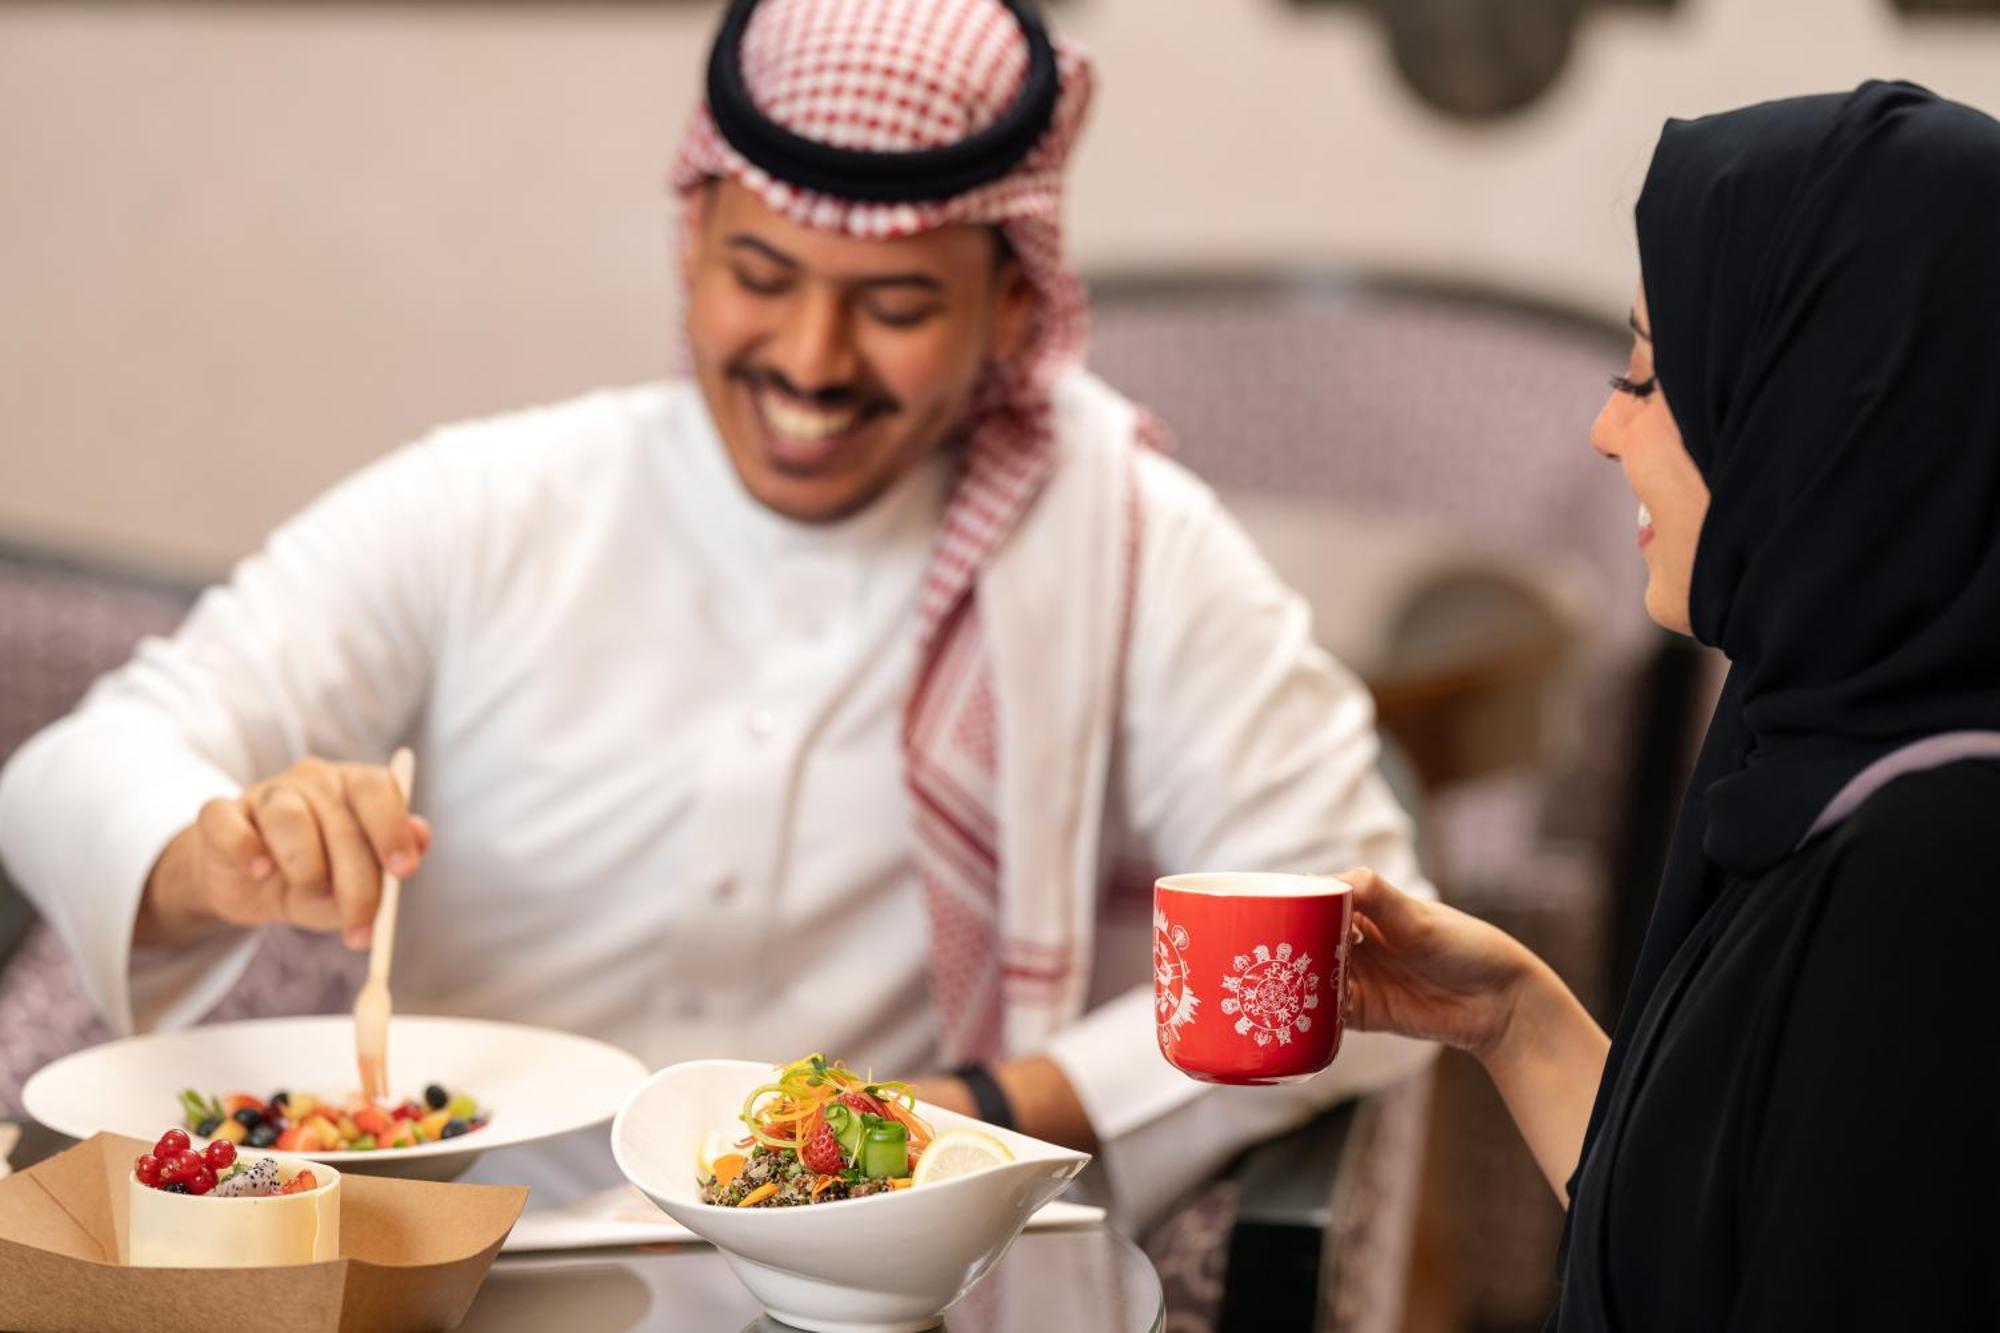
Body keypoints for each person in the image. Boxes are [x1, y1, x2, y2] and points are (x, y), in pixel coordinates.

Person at [0, 0, 1433, 1226]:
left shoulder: (1120, 543)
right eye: (763, 278)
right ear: (690, 240)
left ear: (1012, 308)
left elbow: (1364, 932)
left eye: (892, 304)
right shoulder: (494, 505)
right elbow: (81, 764)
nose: (810, 358)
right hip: (462, 1276)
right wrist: (217, 854)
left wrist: (986, 1111)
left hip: (866, 1283)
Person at [1340, 80, 2000, 1328]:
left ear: (1825, 411)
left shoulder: (1933, 878)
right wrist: (1511, 1016)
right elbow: (1713, 1256)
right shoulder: (1825, 738)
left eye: (1649, 376)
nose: (1604, 430)